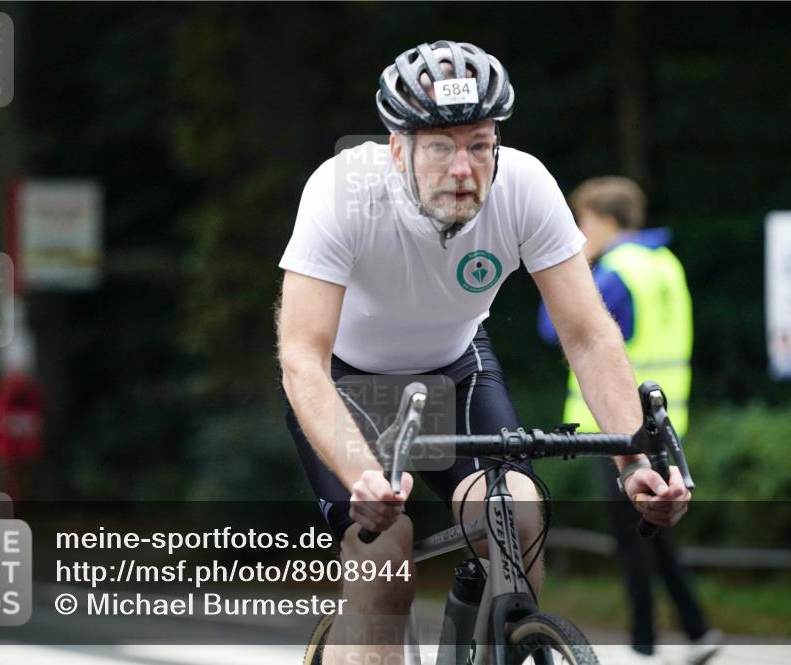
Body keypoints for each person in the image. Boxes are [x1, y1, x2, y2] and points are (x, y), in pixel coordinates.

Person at [276, 41, 691, 665]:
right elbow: (302, 356)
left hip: (454, 370)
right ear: (398, 148)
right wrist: (362, 470)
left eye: (479, 144)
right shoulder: (340, 192)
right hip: (347, 382)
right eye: (440, 145)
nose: (463, 168)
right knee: (385, 557)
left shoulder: (524, 187)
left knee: (518, 518)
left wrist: (634, 464)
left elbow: (588, 332)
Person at [538, 176, 722, 665]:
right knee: (656, 527)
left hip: (616, 424)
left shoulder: (616, 271)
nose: (578, 232)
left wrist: (572, 268)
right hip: (665, 418)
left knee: (631, 534)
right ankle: (698, 628)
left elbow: (554, 328)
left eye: (583, 222)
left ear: (604, 221)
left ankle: (643, 644)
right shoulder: (664, 264)